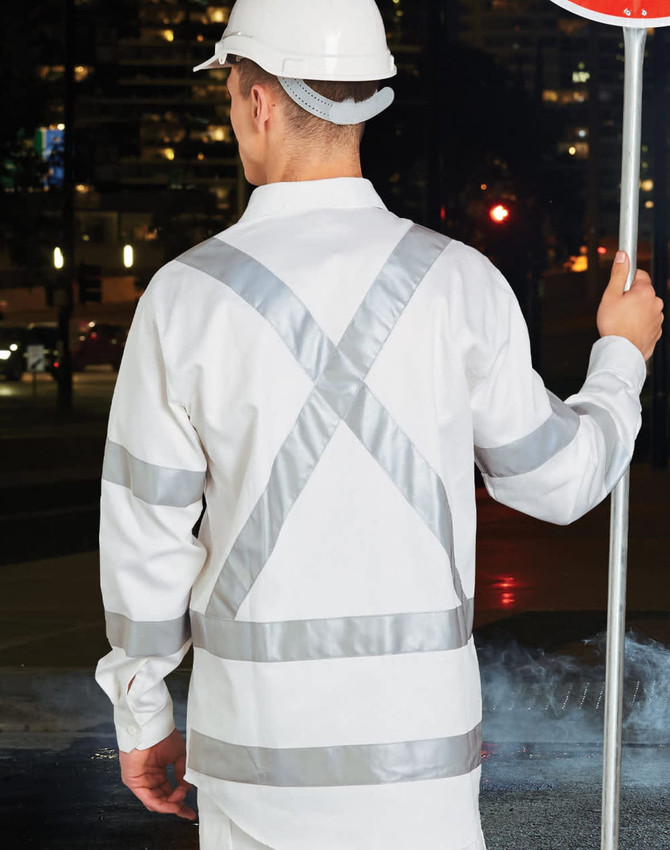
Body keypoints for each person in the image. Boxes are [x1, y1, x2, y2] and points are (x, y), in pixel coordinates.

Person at [95, 1, 663, 848]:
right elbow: (561, 482)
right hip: (420, 766)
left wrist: (142, 719)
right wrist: (621, 356)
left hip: (254, 760)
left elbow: (145, 542)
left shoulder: (183, 299)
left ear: (258, 101)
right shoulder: (460, 285)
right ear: (366, 102)